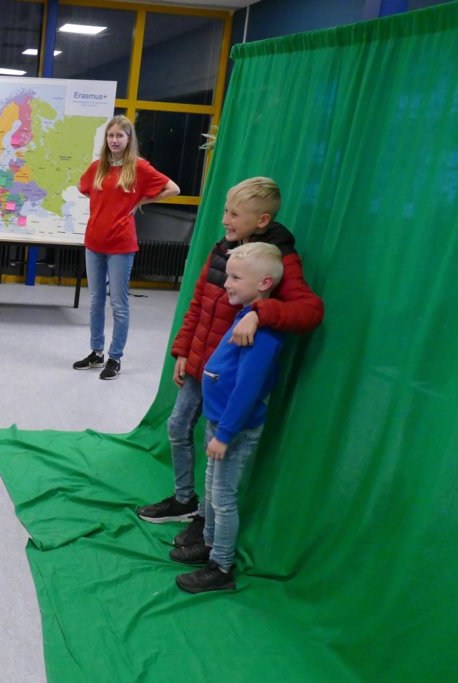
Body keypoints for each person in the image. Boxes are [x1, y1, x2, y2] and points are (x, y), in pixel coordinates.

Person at [137, 178, 324, 549]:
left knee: (216, 456)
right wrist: (183, 349)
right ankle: (184, 500)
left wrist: (259, 313)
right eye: (225, 211)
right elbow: (199, 301)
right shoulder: (222, 248)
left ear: (261, 220)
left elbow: (309, 311)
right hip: (199, 363)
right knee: (177, 427)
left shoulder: (279, 258)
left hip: (229, 374)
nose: (225, 220)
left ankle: (205, 522)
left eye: (234, 214)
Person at [173, 242, 285, 593]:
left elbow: (248, 390)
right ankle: (208, 545)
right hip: (218, 421)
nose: (227, 284)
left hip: (233, 429)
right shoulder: (243, 315)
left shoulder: (262, 333)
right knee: (210, 488)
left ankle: (220, 567)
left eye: (236, 278)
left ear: (264, 283)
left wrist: (225, 434)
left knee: (222, 498)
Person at [75, 115, 180, 380]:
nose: (114, 140)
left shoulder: (139, 167)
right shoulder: (98, 167)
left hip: (121, 245)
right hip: (94, 242)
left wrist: (141, 201)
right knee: (95, 300)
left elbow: (173, 189)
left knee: (118, 304)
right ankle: (96, 352)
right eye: (110, 135)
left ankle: (115, 358)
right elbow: (82, 187)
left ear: (128, 138)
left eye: (119, 136)